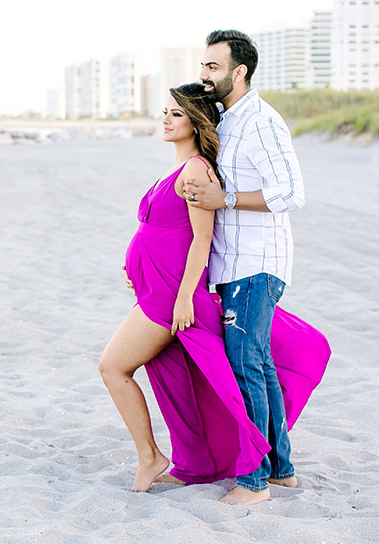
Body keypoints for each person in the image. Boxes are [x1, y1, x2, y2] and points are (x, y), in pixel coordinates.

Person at [98, 83, 275, 492]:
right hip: (154, 287)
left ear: (195, 123)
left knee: (112, 367)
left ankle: (150, 457)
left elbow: (202, 238)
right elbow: (159, 230)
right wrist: (136, 266)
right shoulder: (174, 169)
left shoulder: (196, 169)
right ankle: (178, 456)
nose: (165, 118)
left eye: (175, 114)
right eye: (165, 111)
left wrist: (182, 300)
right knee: (170, 380)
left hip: (171, 297)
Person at [183, 29, 306, 505]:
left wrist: (226, 198)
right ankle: (281, 470)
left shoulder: (261, 122)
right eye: (203, 66)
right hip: (233, 268)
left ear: (240, 72)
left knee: (246, 367)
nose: (204, 74)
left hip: (257, 267)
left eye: (213, 67)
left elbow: (291, 194)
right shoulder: (228, 120)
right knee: (259, 366)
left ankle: (254, 481)